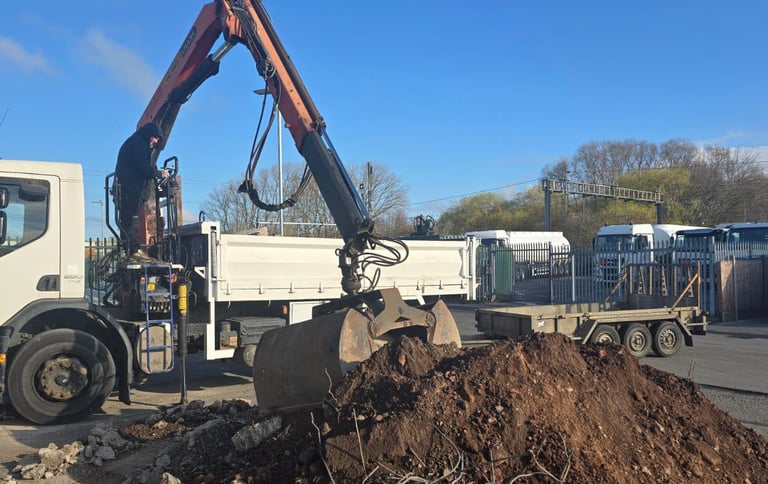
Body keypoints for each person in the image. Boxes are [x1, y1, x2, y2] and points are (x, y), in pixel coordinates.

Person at [114, 123, 168, 259]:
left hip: (131, 188)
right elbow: (142, 166)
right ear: (150, 135)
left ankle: (131, 248)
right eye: (155, 138)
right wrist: (158, 173)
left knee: (129, 220)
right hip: (131, 188)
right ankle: (133, 250)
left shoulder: (136, 143)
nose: (156, 142)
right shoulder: (138, 144)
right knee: (131, 220)